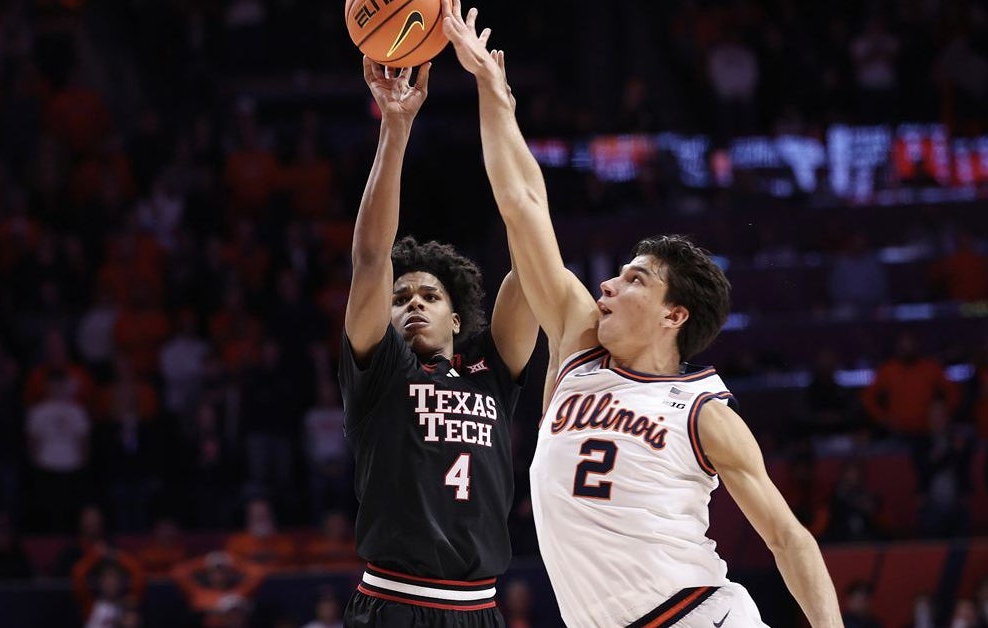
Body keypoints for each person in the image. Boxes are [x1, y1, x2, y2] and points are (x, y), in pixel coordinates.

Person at [441, 2, 841, 626]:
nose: (605, 284)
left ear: (673, 315)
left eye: (634, 280)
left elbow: (789, 540)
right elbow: (522, 205)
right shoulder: (577, 343)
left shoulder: (704, 413)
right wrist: (493, 93)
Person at [337, 50, 538, 626]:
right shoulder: (379, 372)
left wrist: (499, 104)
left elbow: (533, 249)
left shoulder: (492, 371)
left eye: (429, 296)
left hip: (479, 610)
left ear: (457, 318)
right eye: (400, 300)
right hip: (391, 603)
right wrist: (395, 129)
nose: (413, 304)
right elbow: (372, 256)